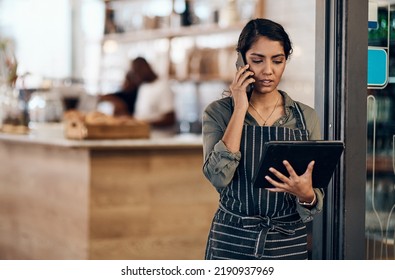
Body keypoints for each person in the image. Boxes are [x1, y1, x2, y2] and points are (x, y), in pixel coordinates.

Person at [202, 18, 323, 260]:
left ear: (285, 61)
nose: (268, 70)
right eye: (257, 60)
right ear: (241, 61)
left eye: (277, 61)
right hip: (232, 238)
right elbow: (218, 176)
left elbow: (314, 197)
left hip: (287, 241)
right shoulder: (218, 113)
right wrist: (239, 108)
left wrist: (306, 194)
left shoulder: (305, 117)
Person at [98, 57, 176, 128]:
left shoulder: (163, 87)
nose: (136, 76)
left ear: (146, 68)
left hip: (160, 138)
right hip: (143, 136)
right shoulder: (143, 86)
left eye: (137, 72)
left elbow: (170, 119)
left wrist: (142, 123)